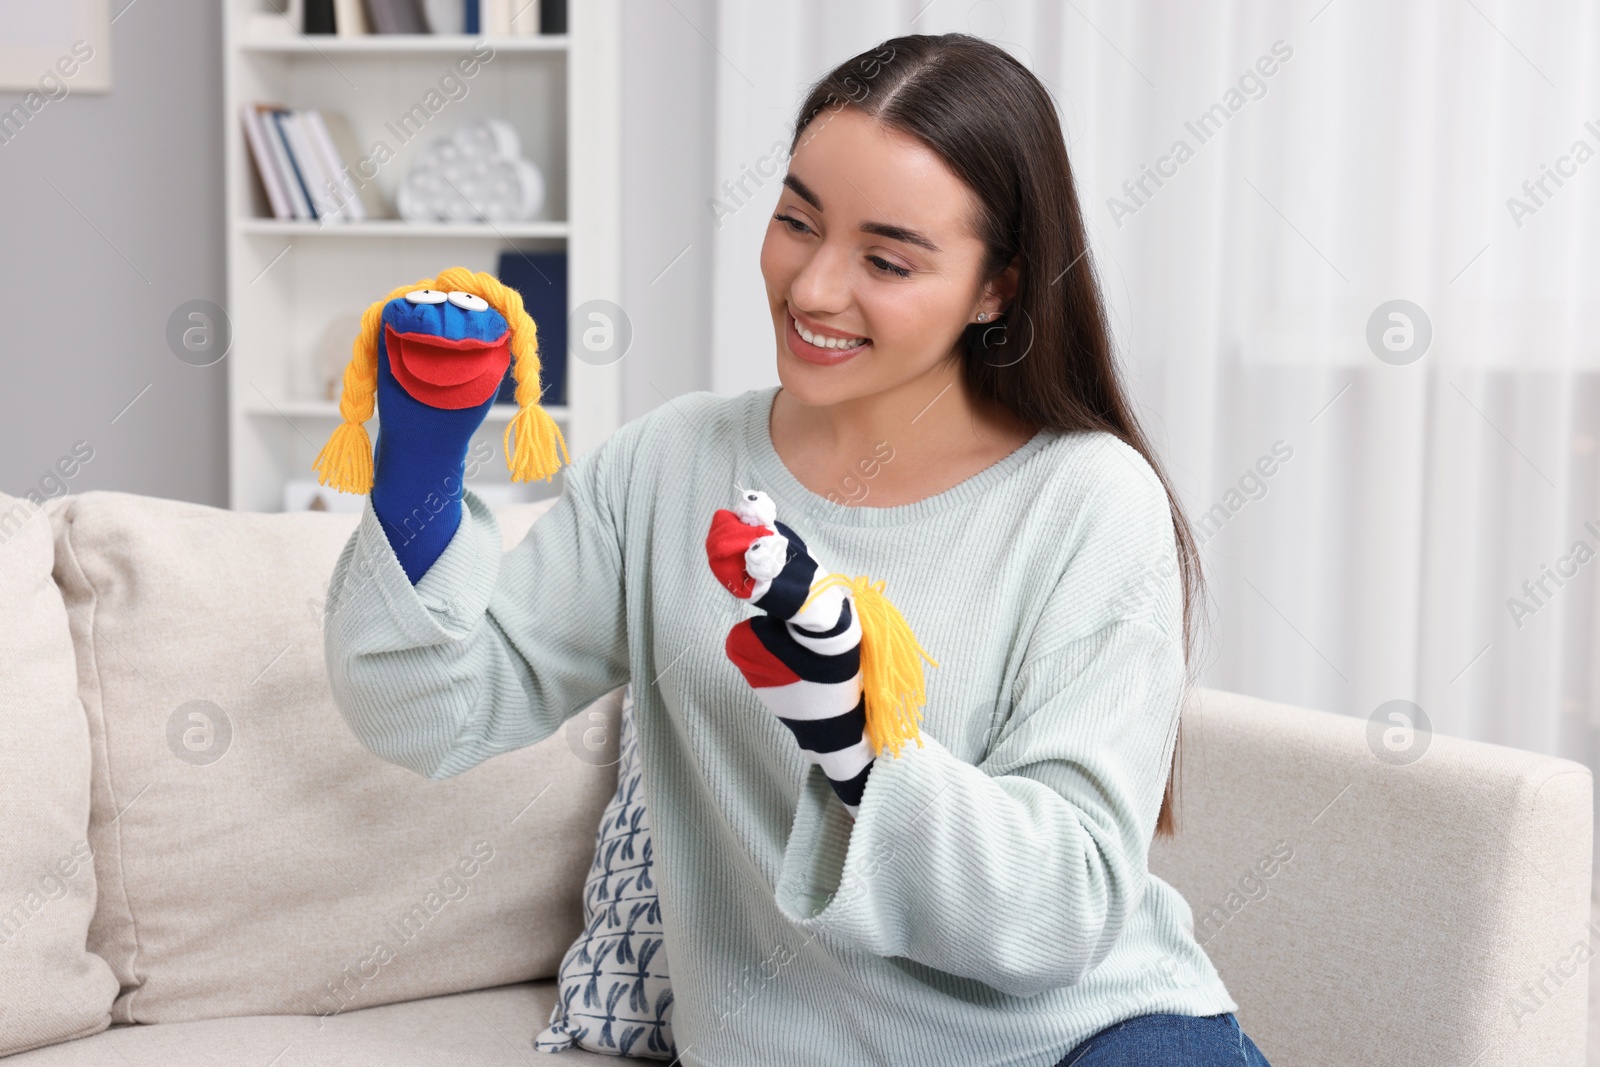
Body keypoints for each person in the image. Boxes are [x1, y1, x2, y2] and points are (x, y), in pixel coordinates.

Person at [323, 31, 1272, 1067]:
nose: (813, 288)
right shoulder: (667, 466)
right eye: (795, 221)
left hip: (1093, 1037)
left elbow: (1066, 908)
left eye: (886, 259)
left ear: (995, 288)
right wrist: (417, 467)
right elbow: (436, 710)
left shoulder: (1086, 499)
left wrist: (866, 749)